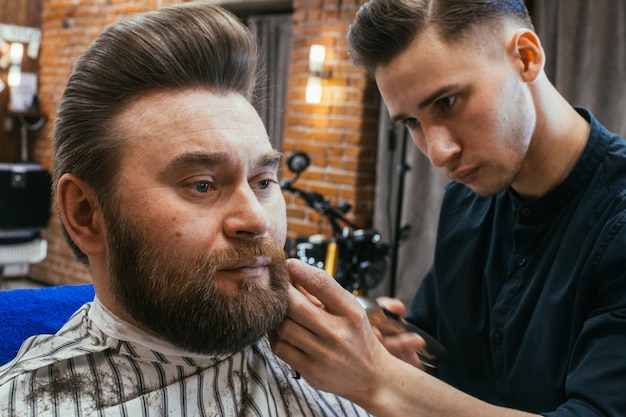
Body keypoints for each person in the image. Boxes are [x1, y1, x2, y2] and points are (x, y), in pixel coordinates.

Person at [0, 3, 372, 416]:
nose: (257, 220)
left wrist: (384, 382)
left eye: (263, 182)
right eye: (203, 185)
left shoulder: (351, 373)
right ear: (86, 214)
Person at [270, 0, 626, 416]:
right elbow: (433, 346)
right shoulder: (466, 198)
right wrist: (395, 350)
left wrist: (377, 379)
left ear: (526, 58)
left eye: (448, 103)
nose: (438, 153)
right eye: (411, 123)